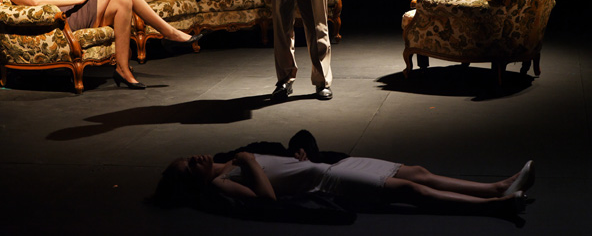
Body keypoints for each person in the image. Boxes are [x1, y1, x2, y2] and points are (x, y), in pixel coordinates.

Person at [154, 131, 535, 218]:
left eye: (187, 157)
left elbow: (281, 160)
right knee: (410, 190)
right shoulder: (223, 182)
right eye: (189, 165)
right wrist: (249, 162)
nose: (194, 157)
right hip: (329, 182)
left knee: (418, 171)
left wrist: (298, 154)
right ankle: (495, 205)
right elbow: (267, 200)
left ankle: (495, 187)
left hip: (334, 166)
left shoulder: (228, 159)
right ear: (194, 180)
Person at [0, 0, 203, 90]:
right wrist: (81, 0)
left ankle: (122, 69)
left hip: (75, 10)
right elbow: (36, 2)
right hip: (66, 21)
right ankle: (168, 31)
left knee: (123, 0)